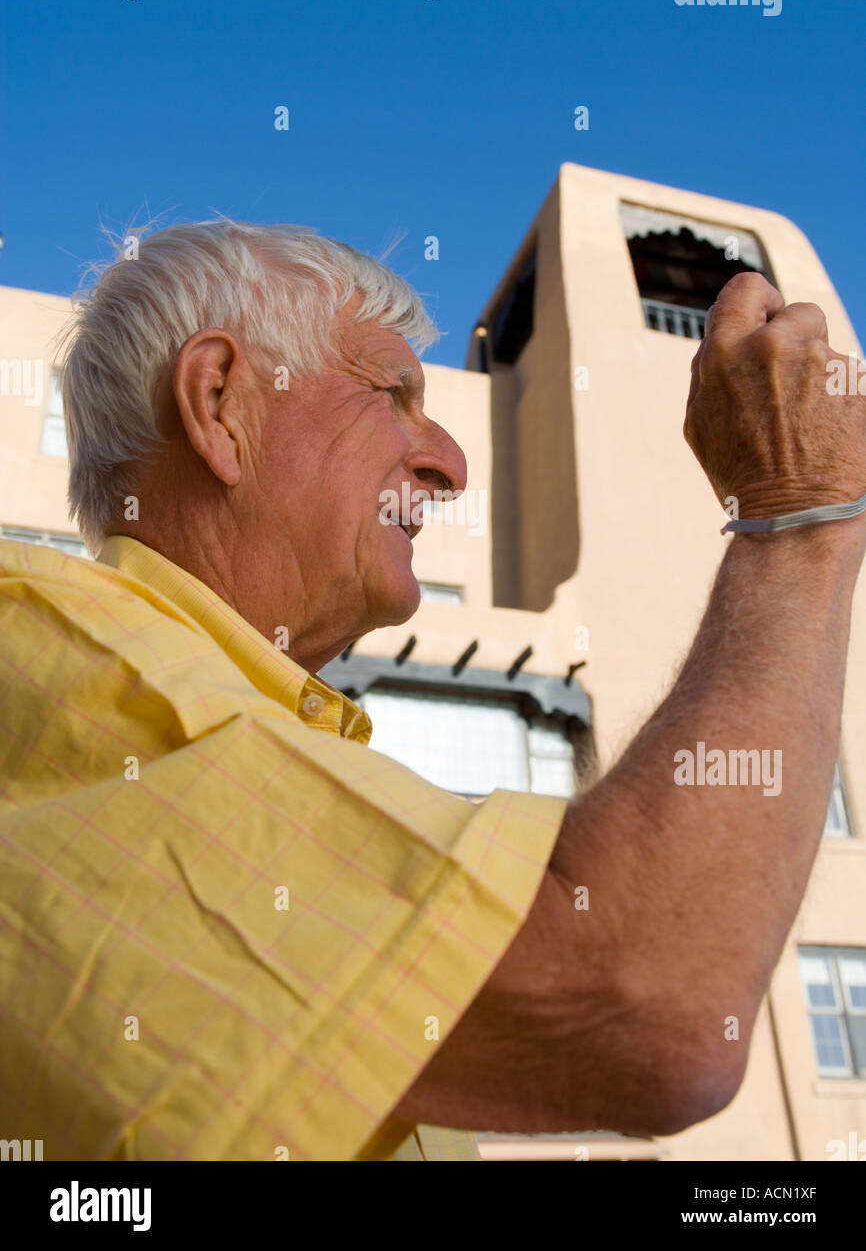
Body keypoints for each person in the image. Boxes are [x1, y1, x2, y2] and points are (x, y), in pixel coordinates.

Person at [1, 220, 864, 1160]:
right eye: (394, 395)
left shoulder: (255, 727)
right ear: (220, 403)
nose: (449, 463)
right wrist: (798, 511)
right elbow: (650, 992)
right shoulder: (46, 641)